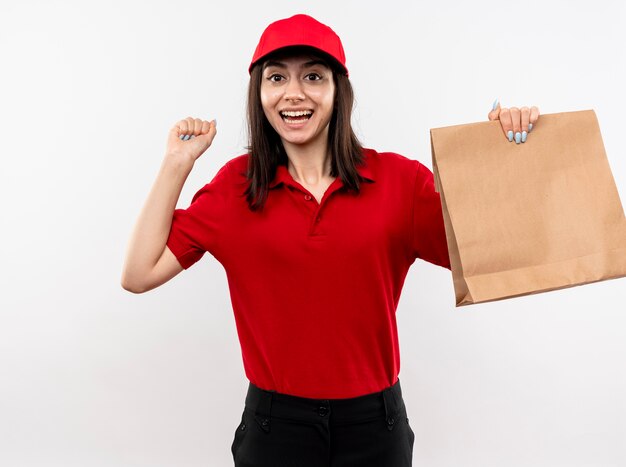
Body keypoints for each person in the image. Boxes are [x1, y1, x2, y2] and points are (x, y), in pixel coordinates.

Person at [120, 13, 540, 467]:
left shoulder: (399, 181)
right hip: (274, 429)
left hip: (375, 427)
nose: (294, 93)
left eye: (313, 77)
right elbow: (139, 274)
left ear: (339, 91)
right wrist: (176, 163)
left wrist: (506, 153)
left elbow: (497, 253)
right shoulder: (235, 188)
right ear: (258, 94)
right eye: (276, 77)